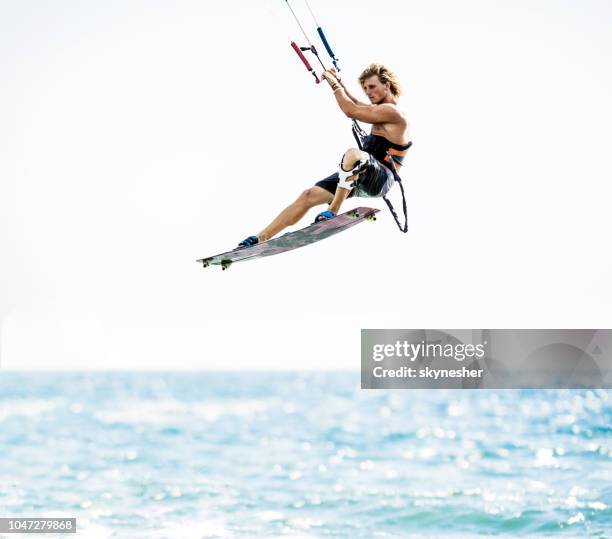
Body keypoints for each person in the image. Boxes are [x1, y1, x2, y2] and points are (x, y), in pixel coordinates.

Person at [237, 63, 411, 248]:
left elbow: (351, 110)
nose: (367, 92)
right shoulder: (378, 109)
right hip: (360, 173)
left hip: (381, 178)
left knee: (352, 154)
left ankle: (332, 210)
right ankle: (261, 237)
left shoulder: (393, 112)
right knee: (308, 195)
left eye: (372, 87)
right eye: (365, 88)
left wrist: (336, 86)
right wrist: (338, 84)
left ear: (387, 85)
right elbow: (356, 104)